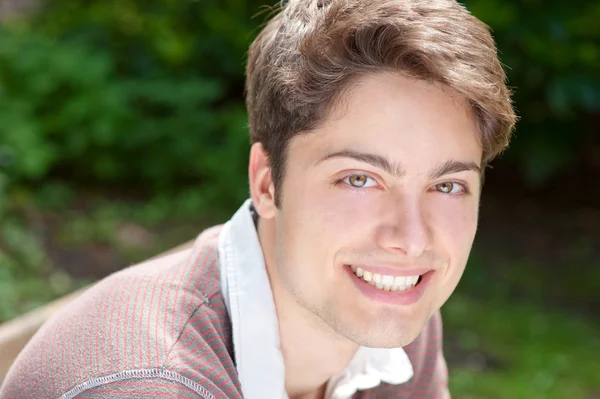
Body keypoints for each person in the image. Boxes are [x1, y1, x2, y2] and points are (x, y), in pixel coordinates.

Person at [0, 0, 516, 398]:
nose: (410, 239)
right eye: (360, 179)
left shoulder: (395, 314)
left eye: (447, 186)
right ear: (267, 183)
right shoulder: (146, 382)